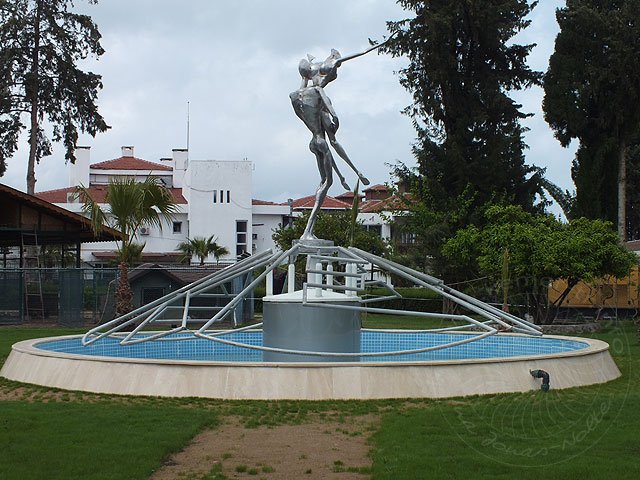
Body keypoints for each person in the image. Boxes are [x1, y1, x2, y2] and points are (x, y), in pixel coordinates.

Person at [290, 41, 383, 240]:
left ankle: (309, 231)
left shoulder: (297, 97)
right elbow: (334, 141)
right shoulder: (319, 95)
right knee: (326, 183)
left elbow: (302, 89)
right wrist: (336, 118)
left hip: (314, 142)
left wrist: (346, 175)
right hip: (321, 142)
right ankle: (308, 231)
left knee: (325, 181)